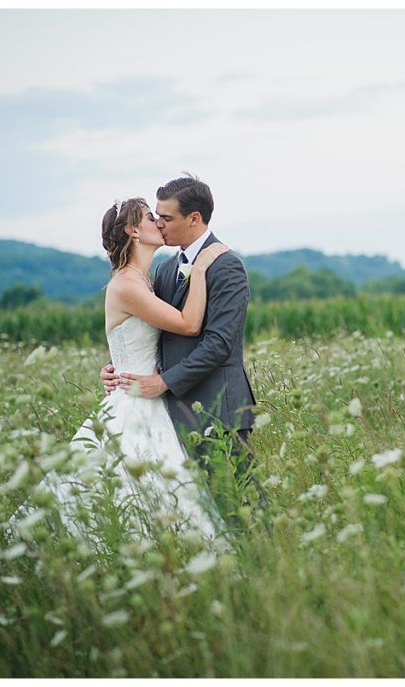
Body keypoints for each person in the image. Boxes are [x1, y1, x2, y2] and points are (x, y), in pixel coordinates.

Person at [11, 196, 232, 550]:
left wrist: (115, 365)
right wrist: (202, 270)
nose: (158, 222)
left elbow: (140, 340)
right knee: (129, 489)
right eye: (149, 217)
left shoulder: (148, 279)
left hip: (150, 396)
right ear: (133, 230)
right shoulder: (127, 285)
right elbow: (189, 325)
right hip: (134, 403)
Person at [101, 174, 265, 531]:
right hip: (170, 413)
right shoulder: (163, 269)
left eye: (167, 218)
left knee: (245, 506)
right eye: (154, 217)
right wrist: (116, 365)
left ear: (194, 219)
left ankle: (269, 568)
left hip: (216, 407)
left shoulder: (226, 265)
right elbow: (150, 331)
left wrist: (163, 382)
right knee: (199, 510)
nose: (159, 224)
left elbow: (219, 343)